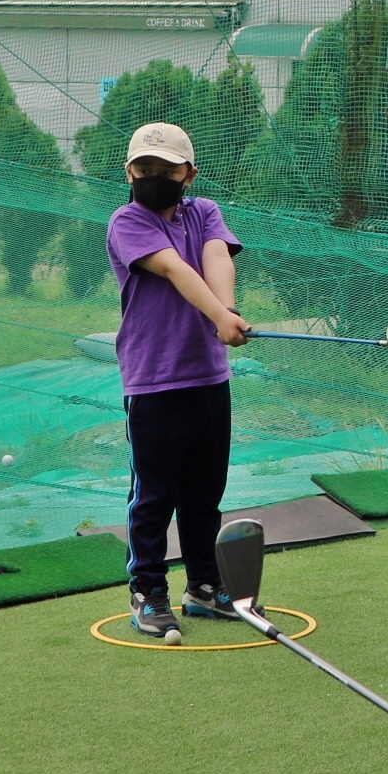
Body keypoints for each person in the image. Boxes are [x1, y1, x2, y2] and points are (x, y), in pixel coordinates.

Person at [106, 121, 248, 646]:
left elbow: (214, 257)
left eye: (167, 170)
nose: (154, 177)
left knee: (204, 493)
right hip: (154, 381)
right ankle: (147, 592)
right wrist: (219, 316)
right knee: (154, 496)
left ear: (189, 174)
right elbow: (173, 269)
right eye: (144, 168)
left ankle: (204, 586)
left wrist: (227, 310)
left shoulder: (203, 211)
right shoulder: (127, 220)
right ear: (129, 172)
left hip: (208, 375)